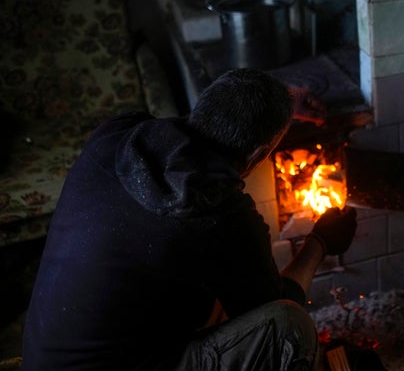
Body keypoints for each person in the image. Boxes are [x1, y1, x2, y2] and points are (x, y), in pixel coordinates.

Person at [22, 68, 358, 371]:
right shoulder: (219, 212)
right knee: (289, 327)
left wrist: (277, 102)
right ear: (258, 155)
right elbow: (277, 305)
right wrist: (320, 241)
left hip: (47, 359)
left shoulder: (116, 135)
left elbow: (208, 124)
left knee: (216, 292)